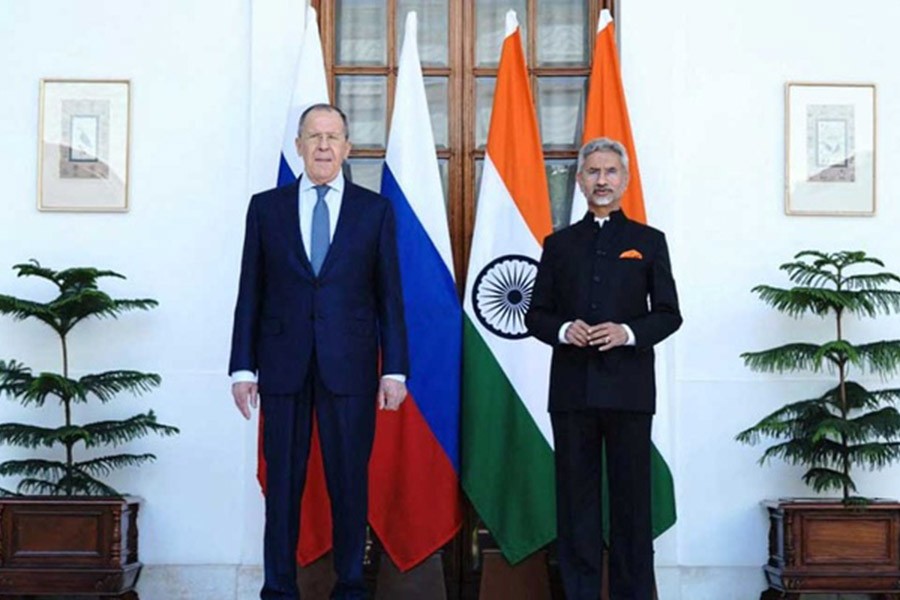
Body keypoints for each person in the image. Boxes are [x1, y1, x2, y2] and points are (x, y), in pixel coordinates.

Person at [229, 103, 409, 600]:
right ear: (299, 147)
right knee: (283, 488)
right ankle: (278, 589)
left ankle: (351, 586)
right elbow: (252, 292)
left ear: (348, 149)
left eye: (333, 137)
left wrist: (394, 369)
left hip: (350, 368)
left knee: (349, 484)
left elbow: (389, 295)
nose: (324, 146)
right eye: (314, 136)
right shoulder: (266, 208)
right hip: (283, 367)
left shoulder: (374, 211)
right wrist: (242, 367)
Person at [525, 137, 682, 599]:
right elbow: (536, 314)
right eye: (592, 172)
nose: (601, 180)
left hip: (630, 393)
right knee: (577, 506)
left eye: (611, 172)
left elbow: (669, 313)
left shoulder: (649, 243)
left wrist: (627, 333)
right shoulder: (559, 244)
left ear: (625, 180)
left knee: (632, 506)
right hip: (572, 394)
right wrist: (563, 328)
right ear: (579, 180)